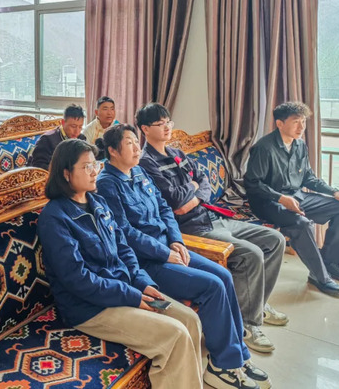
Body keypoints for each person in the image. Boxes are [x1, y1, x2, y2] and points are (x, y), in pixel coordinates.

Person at [97, 125, 270, 389]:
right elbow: (125, 233)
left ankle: (237, 357)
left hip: (169, 247)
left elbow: (165, 209)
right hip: (146, 261)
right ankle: (221, 367)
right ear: (112, 150)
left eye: (136, 142)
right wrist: (165, 253)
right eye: (129, 143)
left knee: (224, 275)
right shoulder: (107, 184)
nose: (136, 148)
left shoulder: (139, 171)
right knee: (212, 287)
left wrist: (176, 241)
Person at [37, 138, 203, 389]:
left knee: (190, 319)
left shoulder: (98, 202)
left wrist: (142, 283)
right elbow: (77, 279)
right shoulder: (55, 217)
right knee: (175, 334)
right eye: (87, 167)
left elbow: (124, 249)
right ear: (66, 173)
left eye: (95, 165)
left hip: (124, 290)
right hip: (90, 307)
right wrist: (132, 295)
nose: (95, 171)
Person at [136, 102, 287, 354]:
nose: (166, 127)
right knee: (251, 254)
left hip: (212, 216)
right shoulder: (145, 162)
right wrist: (193, 190)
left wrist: (194, 193)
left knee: (274, 240)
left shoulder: (177, 153)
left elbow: (203, 181)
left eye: (168, 122)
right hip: (192, 228)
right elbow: (176, 203)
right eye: (159, 124)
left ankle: (256, 304)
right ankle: (247, 324)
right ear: (144, 129)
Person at [245, 102, 339, 296]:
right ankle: (320, 276)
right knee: (301, 224)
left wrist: (334, 192)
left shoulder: (300, 144)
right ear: (280, 123)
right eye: (296, 122)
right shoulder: (263, 148)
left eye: (303, 121)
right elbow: (252, 183)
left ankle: (330, 262)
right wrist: (280, 198)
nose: (302, 127)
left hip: (298, 197)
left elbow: (308, 178)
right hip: (268, 203)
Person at [28, 104, 87, 170]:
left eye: (80, 127)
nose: (77, 131)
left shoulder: (81, 139)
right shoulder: (47, 140)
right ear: (63, 122)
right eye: (73, 126)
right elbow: (39, 167)